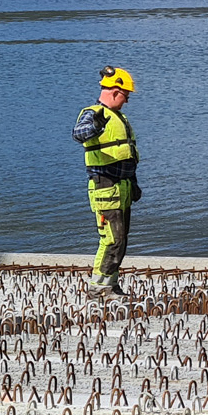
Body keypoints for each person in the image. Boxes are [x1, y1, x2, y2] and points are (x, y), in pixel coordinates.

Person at [72, 66, 139, 295]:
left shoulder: (120, 117)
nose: (126, 101)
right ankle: (99, 288)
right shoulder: (92, 113)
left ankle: (111, 284)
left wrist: (134, 182)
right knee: (112, 239)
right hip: (105, 185)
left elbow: (127, 153)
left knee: (120, 240)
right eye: (125, 96)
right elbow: (79, 134)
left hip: (122, 187)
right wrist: (95, 126)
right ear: (115, 91)